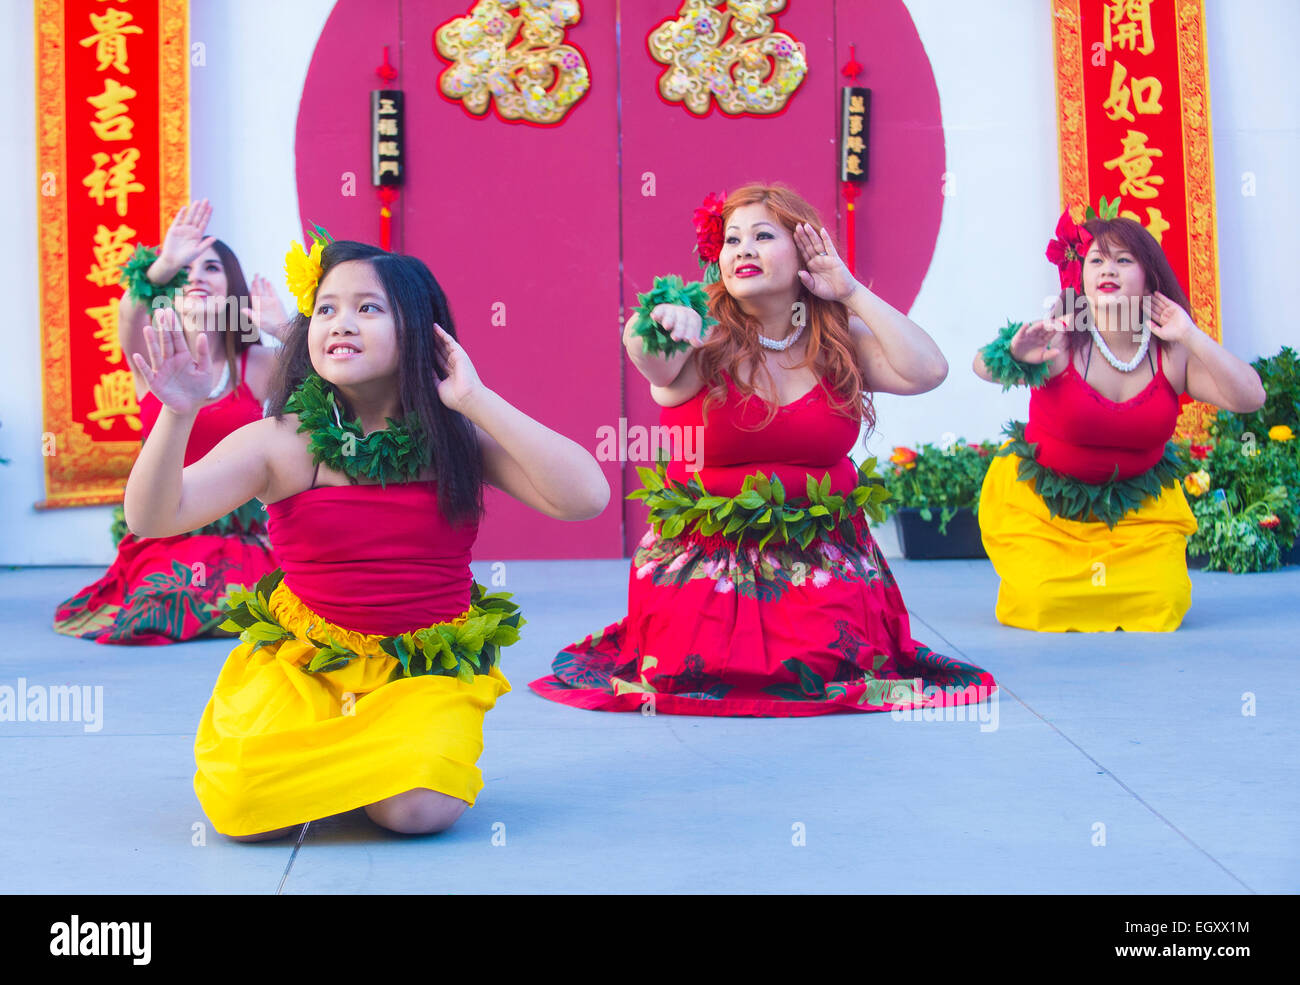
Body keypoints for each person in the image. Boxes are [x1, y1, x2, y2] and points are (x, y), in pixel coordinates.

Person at [124, 237, 608, 838]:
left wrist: (475, 400)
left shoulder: (457, 437)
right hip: (308, 665)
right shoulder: (280, 440)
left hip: (422, 668)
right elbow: (154, 517)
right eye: (325, 309)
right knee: (240, 810)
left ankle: (381, 765)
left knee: (416, 812)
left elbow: (586, 498)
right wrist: (177, 414)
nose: (340, 324)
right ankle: (366, 766)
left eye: (368, 308)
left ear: (422, 331)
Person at [531, 183, 996, 716]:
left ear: (805, 252)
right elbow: (648, 356)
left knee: (824, 667)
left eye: (763, 236)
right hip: (706, 564)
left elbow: (928, 371)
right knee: (714, 671)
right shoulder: (698, 334)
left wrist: (849, 290)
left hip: (823, 558)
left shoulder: (839, 340)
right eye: (732, 239)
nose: (743, 249)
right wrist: (657, 321)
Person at [973, 207, 1266, 631]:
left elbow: (1250, 397)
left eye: (1123, 260)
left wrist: (1191, 335)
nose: (1107, 269)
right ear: (1082, 277)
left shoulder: (1172, 351)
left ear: (1149, 277)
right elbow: (981, 366)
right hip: (1045, 514)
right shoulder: (1058, 336)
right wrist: (1015, 355)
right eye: (1096, 260)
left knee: (1163, 601)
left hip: (1138, 517)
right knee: (1043, 599)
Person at [54, 200, 288, 644]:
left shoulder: (257, 363)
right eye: (188, 271)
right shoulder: (152, 357)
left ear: (233, 289)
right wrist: (165, 263)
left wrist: (281, 327)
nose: (197, 277)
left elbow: (326, 374)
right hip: (166, 525)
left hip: (239, 530)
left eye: (212, 268)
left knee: (267, 603)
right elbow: (129, 311)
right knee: (163, 601)